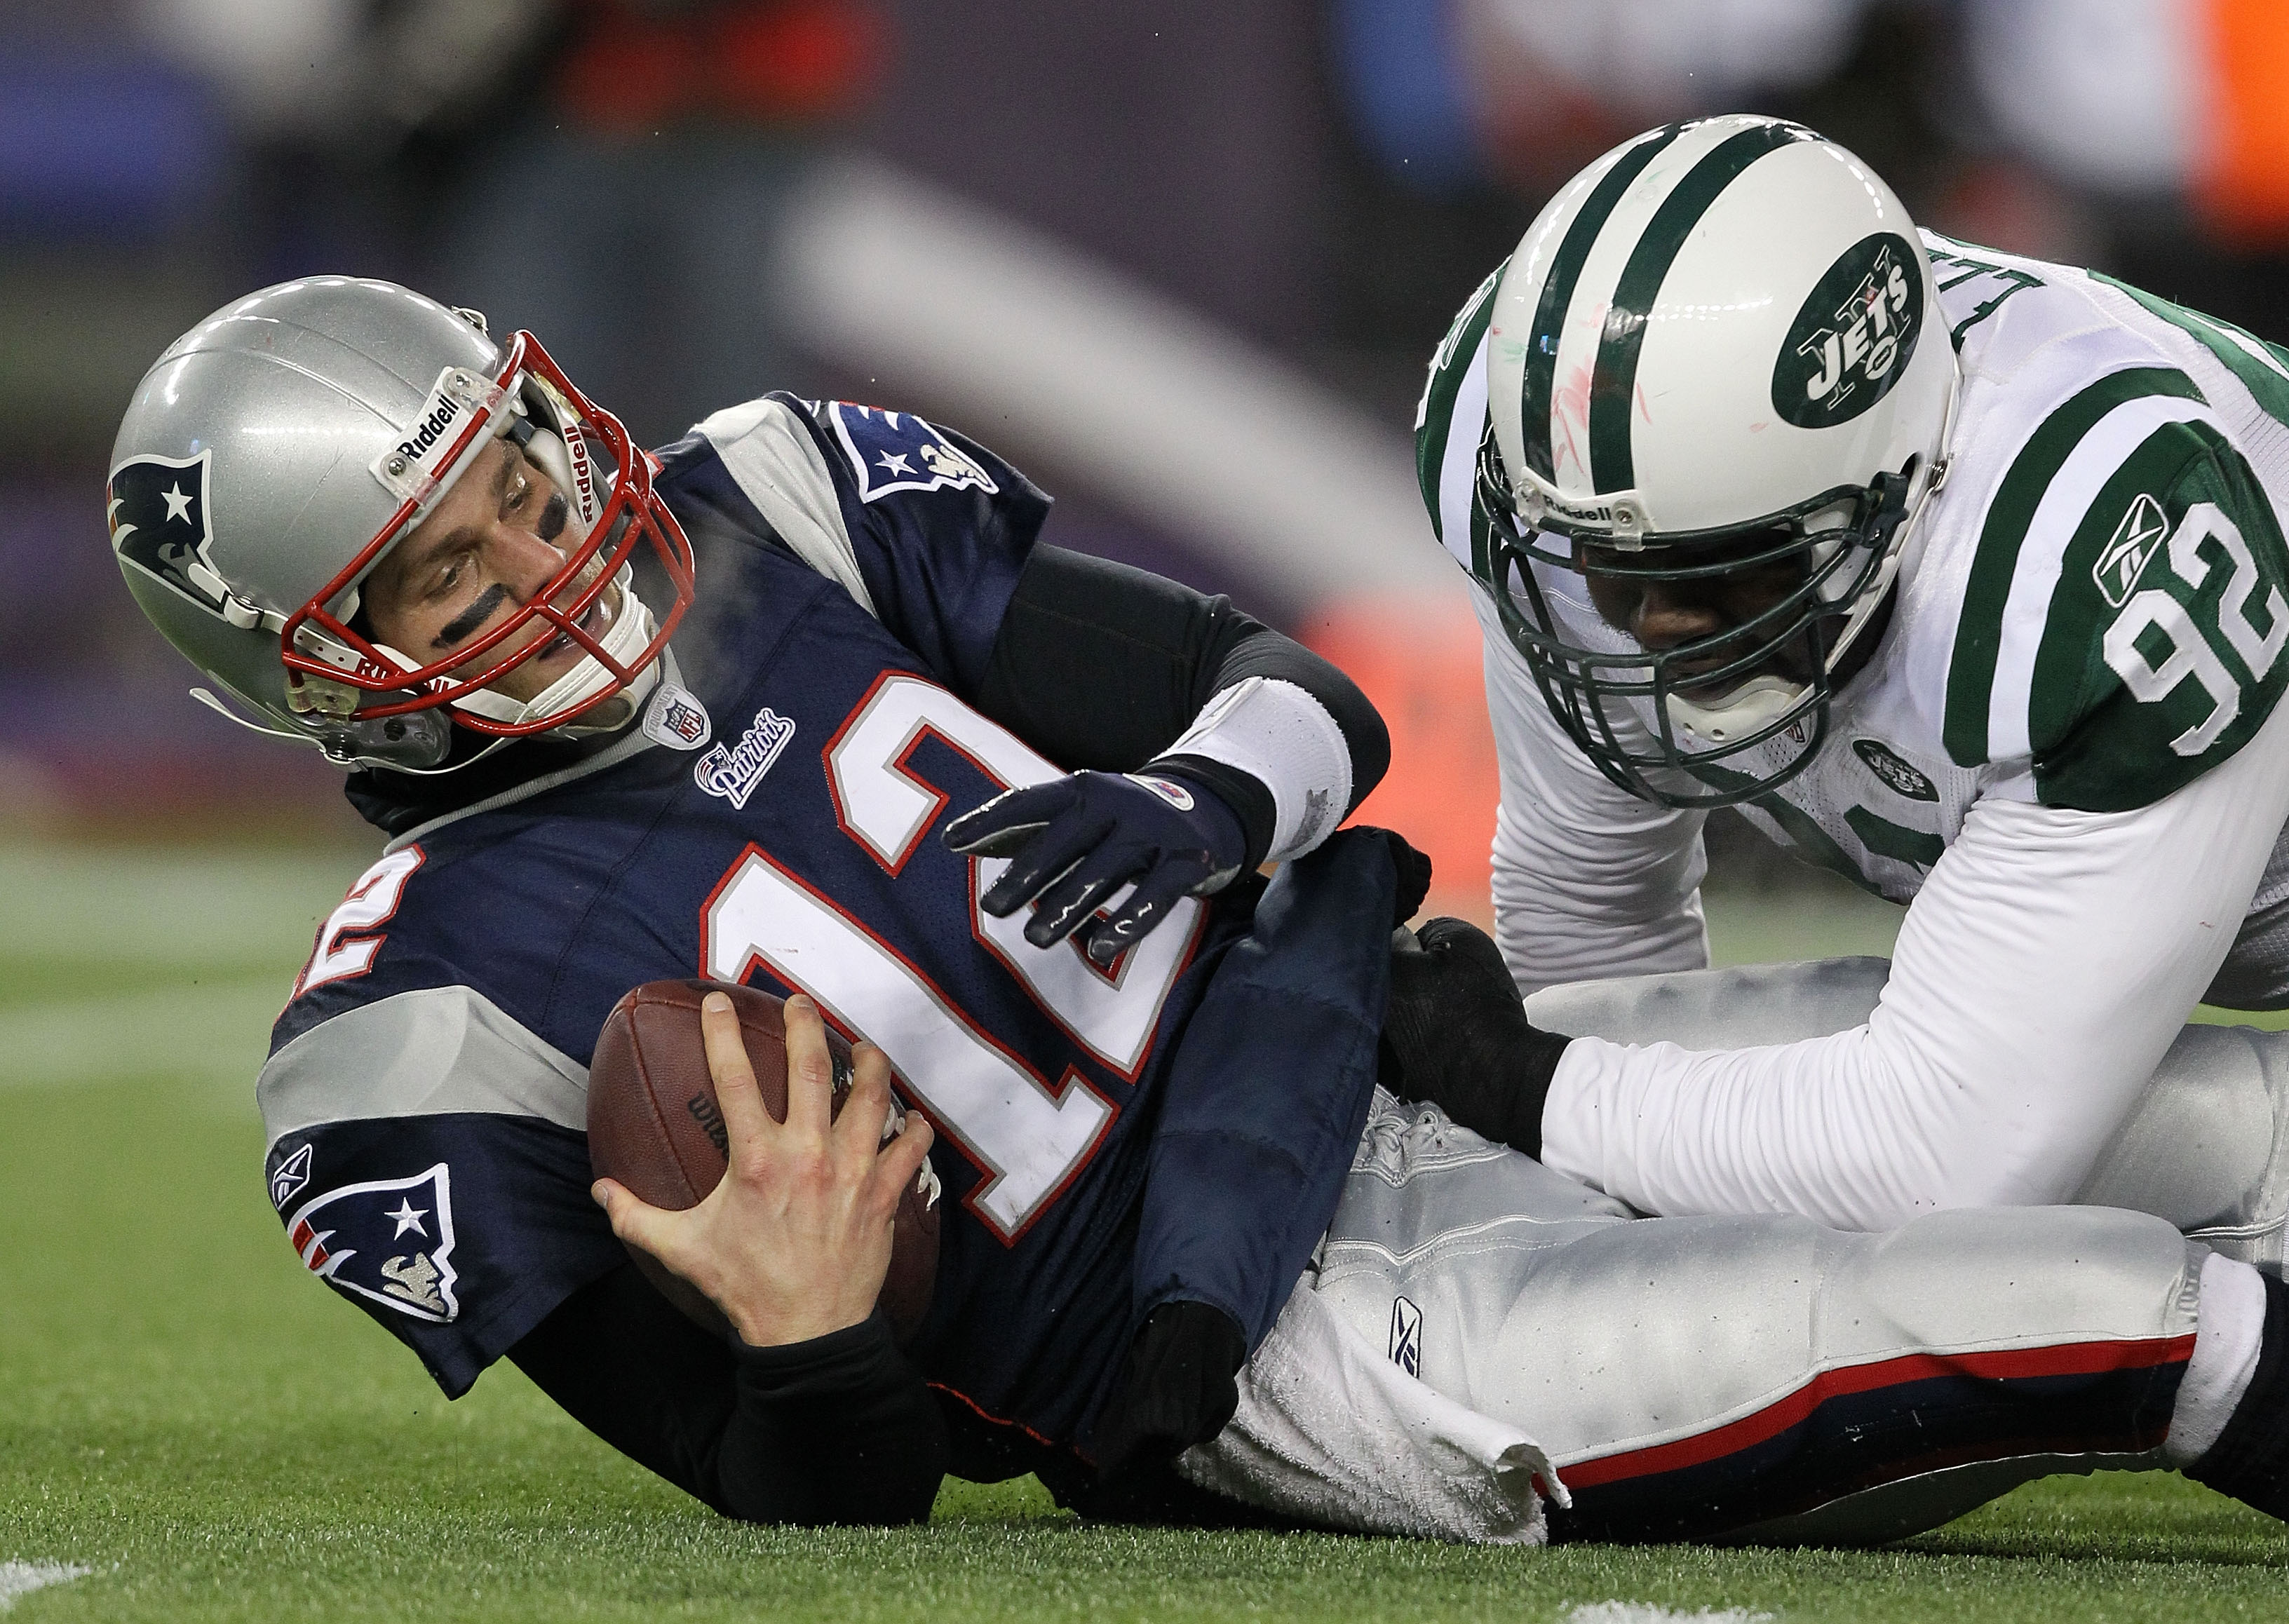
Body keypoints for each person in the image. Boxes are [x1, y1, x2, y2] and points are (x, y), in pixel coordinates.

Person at [109, 277, 2289, 1540]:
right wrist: (820, 1338)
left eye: (518, 465)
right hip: (1277, 1345)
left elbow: (1286, 685)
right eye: (444, 565)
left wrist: (1196, 793)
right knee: (2097, 1300)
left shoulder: (772, 501)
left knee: (2221, 1125)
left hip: (1403, 1052)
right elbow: (806, 1497)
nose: (545, 544)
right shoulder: (414, 1033)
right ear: (304, 656)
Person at [1397, 112, 2289, 1243]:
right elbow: (1593, 923)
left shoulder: (2093, 539)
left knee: (2183, 1201)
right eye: (1613, 568)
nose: (1659, 625)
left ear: (1899, 481)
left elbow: (1941, 1160)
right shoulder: (1547, 432)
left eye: (1724, 566)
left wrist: (1512, 1081)